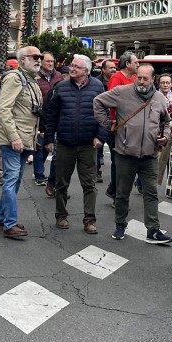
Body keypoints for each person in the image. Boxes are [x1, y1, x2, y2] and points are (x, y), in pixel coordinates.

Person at [94, 62, 172, 245]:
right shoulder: (122, 92)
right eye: (139, 77)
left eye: (146, 78)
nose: (142, 81)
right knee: (122, 193)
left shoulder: (159, 98)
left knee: (151, 193)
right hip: (125, 154)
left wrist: (165, 137)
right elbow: (98, 102)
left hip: (149, 155)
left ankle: (153, 230)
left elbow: (166, 122)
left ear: (153, 79)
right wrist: (108, 124)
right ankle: (120, 224)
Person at [43, 55, 107, 234]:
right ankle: (61, 215)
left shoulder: (97, 86)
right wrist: (49, 139)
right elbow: (51, 115)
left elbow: (104, 114)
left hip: (88, 144)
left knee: (89, 184)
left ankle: (89, 220)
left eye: (77, 67)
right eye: (72, 66)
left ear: (86, 71)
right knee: (62, 183)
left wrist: (100, 137)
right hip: (65, 143)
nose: (72, 69)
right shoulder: (61, 87)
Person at [0, 46, 44, 238]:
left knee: (13, 181)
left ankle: (1, 219)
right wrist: (14, 137)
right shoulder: (14, 78)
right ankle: (9, 224)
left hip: (25, 139)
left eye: (40, 57)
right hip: (12, 139)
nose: (39, 60)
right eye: (35, 57)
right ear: (23, 60)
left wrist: (34, 136)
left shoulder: (31, 81)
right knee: (11, 180)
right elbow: (4, 109)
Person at [104, 51, 140, 200]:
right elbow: (112, 101)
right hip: (118, 126)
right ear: (127, 64)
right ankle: (116, 193)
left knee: (130, 160)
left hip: (133, 126)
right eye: (136, 62)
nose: (138, 65)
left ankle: (114, 189)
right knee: (118, 161)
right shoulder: (116, 78)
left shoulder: (136, 78)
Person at [33, 52, 64, 188]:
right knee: (40, 148)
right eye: (48, 61)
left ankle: (48, 177)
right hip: (40, 117)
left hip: (56, 117)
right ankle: (39, 175)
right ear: (41, 62)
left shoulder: (58, 77)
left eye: (52, 61)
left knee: (51, 149)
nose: (50, 64)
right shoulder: (35, 77)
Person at [156, 74, 172, 184]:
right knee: (156, 159)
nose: (165, 85)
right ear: (159, 84)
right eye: (162, 82)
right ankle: (143, 182)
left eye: (167, 83)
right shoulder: (154, 96)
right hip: (156, 130)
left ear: (171, 84)